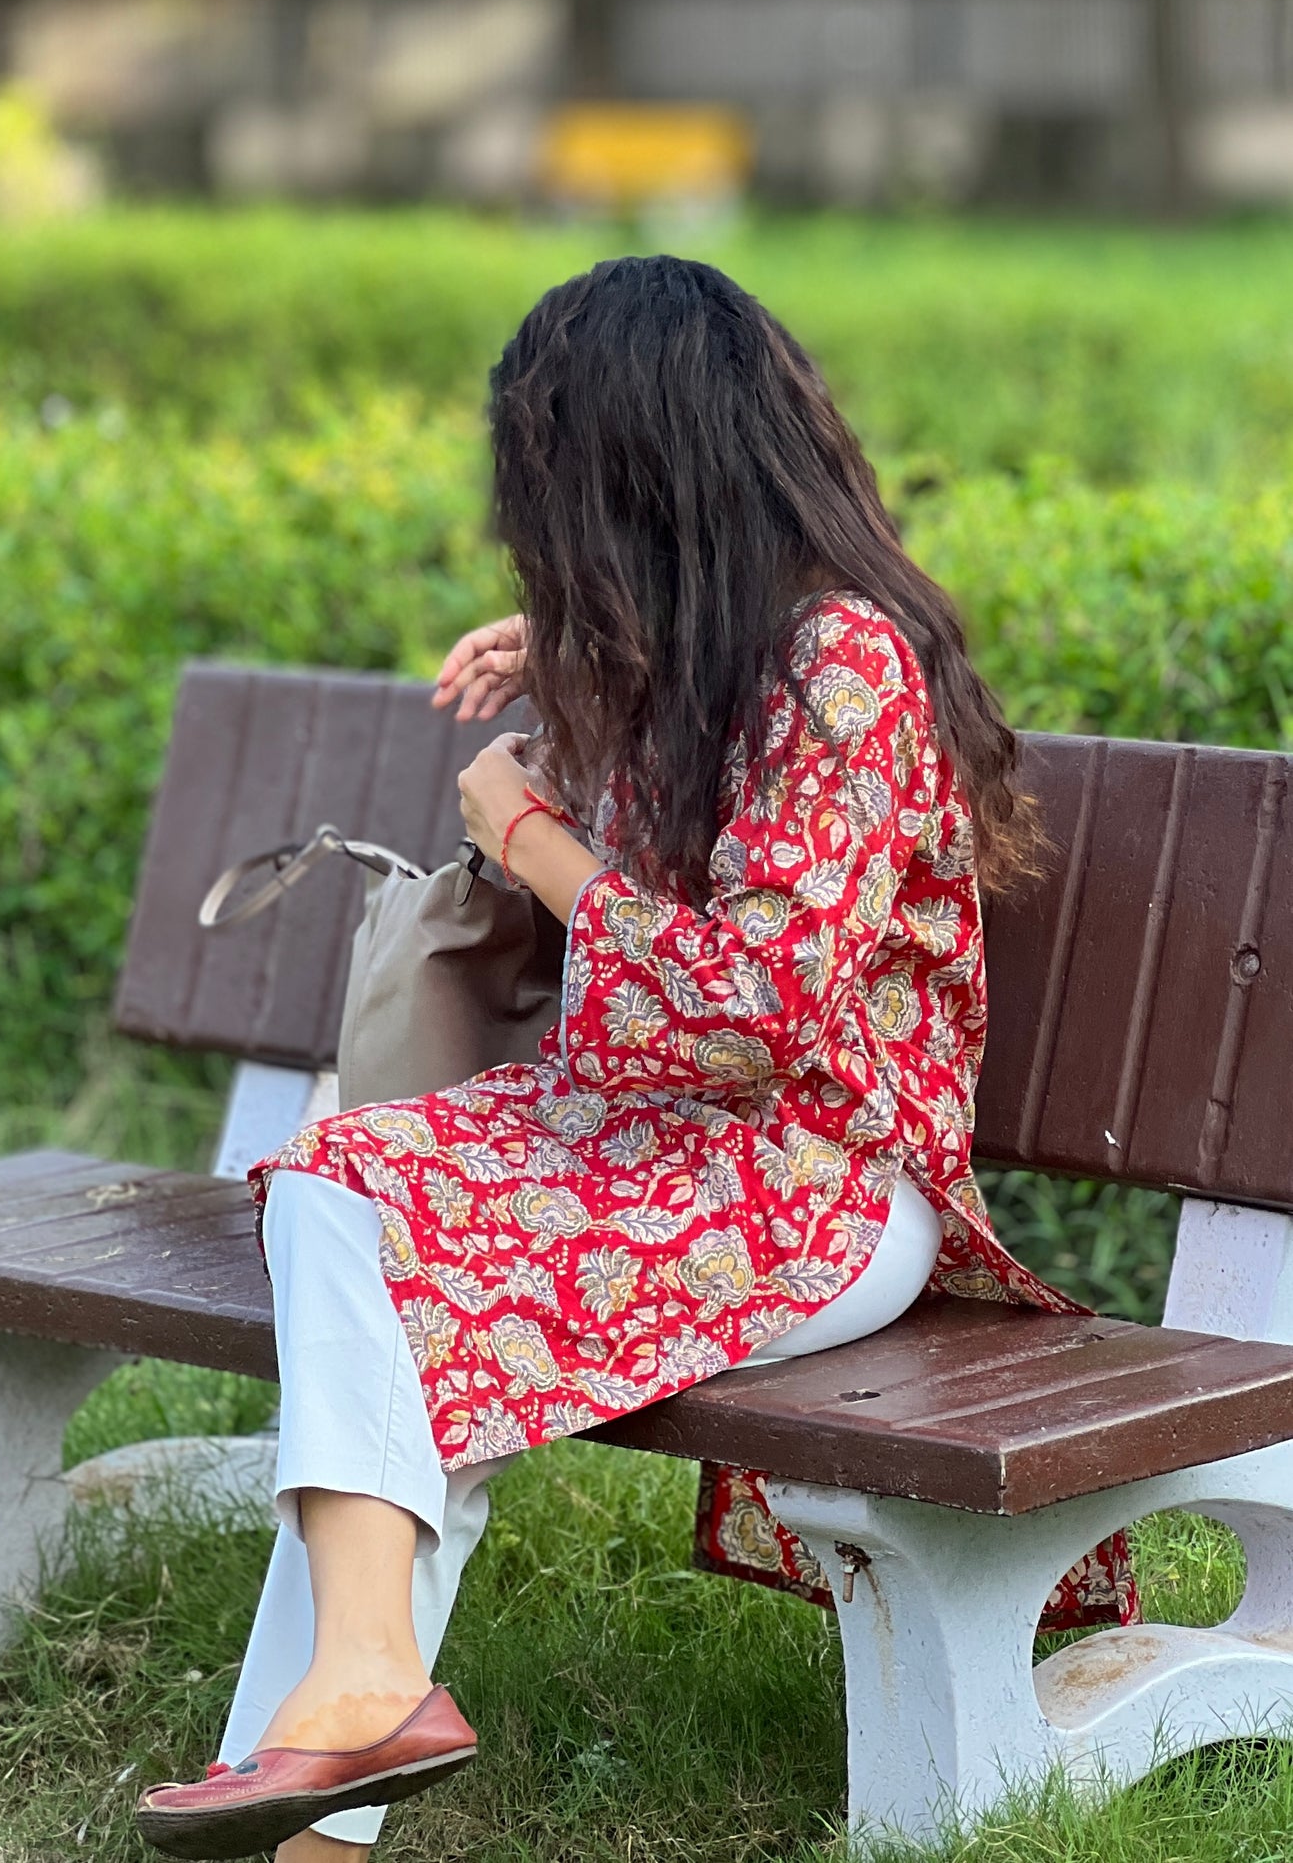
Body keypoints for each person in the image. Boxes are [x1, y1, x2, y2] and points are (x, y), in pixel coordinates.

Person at [135, 253, 1069, 1862]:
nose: (541, 530)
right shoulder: (699, 645)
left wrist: (528, 831)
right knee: (339, 1179)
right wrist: (574, 652)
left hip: (818, 1184)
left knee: (398, 1313)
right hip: (643, 1143)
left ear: (637, 469)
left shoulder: (842, 664)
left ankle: (337, 1745)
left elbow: (747, 1007)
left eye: (558, 494)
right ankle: (355, 1686)